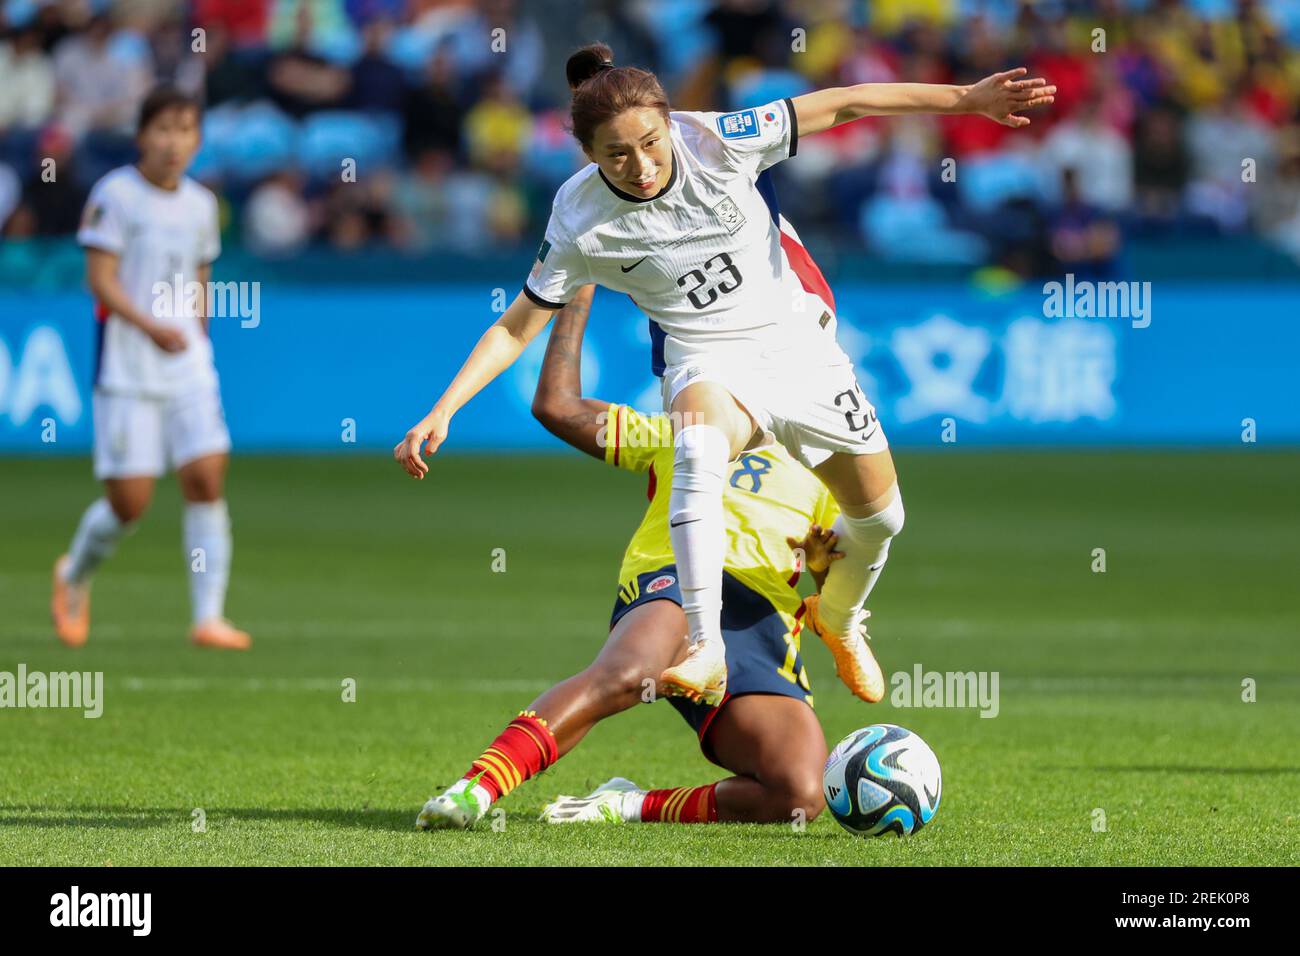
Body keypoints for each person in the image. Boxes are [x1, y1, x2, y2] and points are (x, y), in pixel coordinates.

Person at [397, 42, 1054, 710]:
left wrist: (965, 100)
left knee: (882, 519)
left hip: (799, 349)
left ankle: (840, 617)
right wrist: (443, 409)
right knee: (696, 453)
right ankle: (707, 646)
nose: (642, 165)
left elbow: (847, 100)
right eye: (617, 155)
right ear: (589, 154)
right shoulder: (576, 216)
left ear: (669, 122)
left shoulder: (718, 139)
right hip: (705, 358)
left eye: (651, 142)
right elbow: (516, 325)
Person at [418, 285, 858, 828]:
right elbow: (557, 406)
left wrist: (821, 568)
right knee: (629, 672)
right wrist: (576, 291)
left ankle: (623, 803)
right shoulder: (683, 429)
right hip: (674, 581)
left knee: (798, 794)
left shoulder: (827, 466)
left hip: (761, 618)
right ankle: (476, 789)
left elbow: (836, 576)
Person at [51, 86, 249, 651]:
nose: (172, 142)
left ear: (198, 140)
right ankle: (74, 575)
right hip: (128, 367)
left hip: (186, 365)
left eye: (185, 130)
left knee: (207, 478)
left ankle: (209, 617)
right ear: (141, 135)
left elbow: (201, 276)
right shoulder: (115, 196)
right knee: (129, 503)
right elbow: (101, 280)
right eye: (162, 129)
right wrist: (150, 325)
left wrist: (199, 338)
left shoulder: (201, 204)